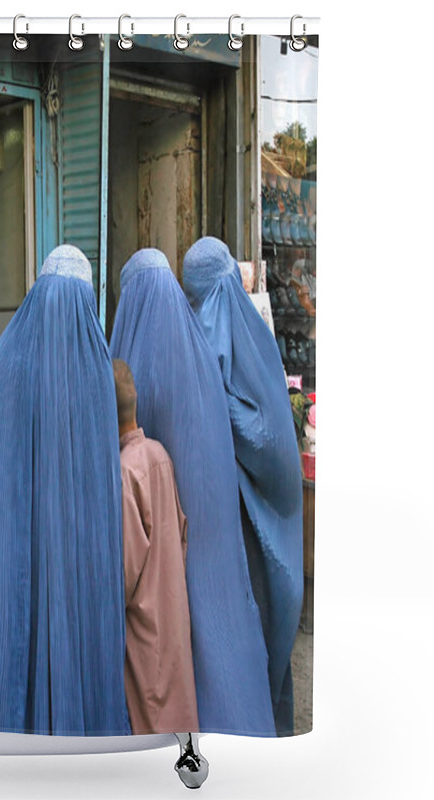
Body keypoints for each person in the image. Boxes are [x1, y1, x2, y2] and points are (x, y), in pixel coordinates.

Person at [0, 245, 130, 736]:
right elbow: (99, 495)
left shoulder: (1, 366)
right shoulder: (93, 371)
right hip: (72, 575)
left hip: (0, 567)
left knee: (0, 677)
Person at [110, 248, 275, 736]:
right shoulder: (202, 353)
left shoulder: (130, 363)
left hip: (158, 555)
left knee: (171, 669)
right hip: (209, 539)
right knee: (221, 655)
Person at [182, 236, 303, 736]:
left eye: (201, 301)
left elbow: (270, 441)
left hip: (257, 530)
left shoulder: (251, 345)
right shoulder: (218, 340)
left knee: (263, 637)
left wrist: (217, 405)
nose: (200, 314)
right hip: (225, 532)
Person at [113, 358, 199, 735]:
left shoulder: (123, 471)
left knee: (151, 725)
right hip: (172, 615)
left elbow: (124, 573)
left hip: (144, 630)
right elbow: (181, 533)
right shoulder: (159, 455)